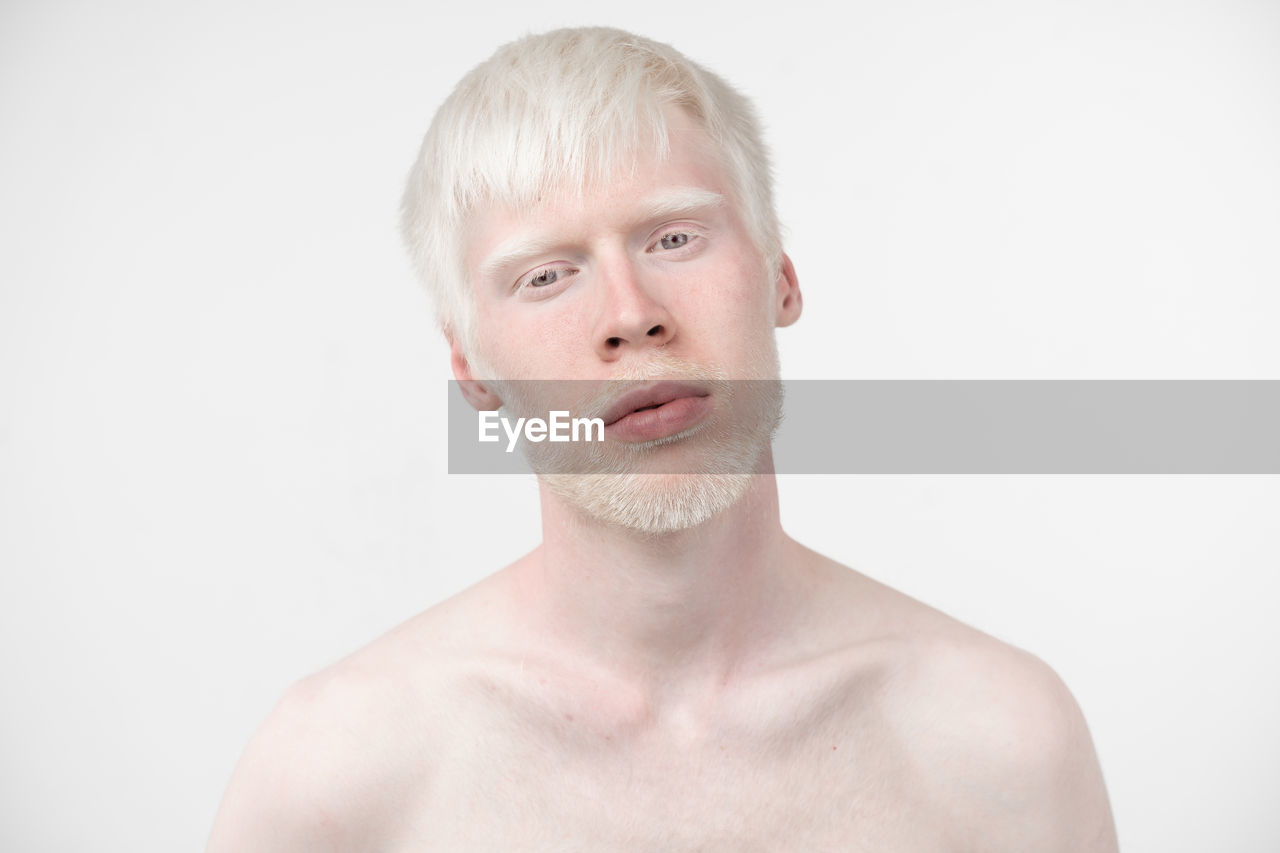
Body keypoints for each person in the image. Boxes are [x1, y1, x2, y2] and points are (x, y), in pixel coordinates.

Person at [206, 27, 1117, 851]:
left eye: (675, 237)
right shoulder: (333, 772)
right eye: (546, 276)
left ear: (781, 279)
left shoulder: (1002, 739)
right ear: (472, 369)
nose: (631, 316)